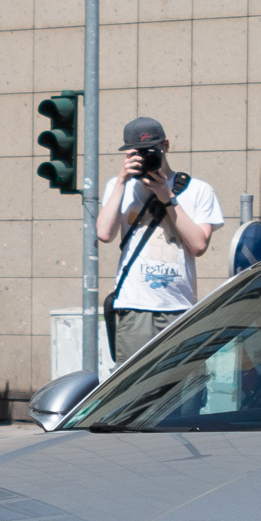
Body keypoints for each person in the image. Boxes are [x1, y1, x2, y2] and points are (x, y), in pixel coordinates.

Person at [95, 116, 223, 362]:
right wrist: (121, 181)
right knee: (132, 391)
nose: (144, 157)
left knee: (179, 388)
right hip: (134, 306)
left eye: (150, 150)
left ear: (165, 145)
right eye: (136, 153)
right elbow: (104, 234)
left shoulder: (198, 190)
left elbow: (198, 245)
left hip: (180, 308)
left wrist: (167, 196)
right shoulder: (119, 186)